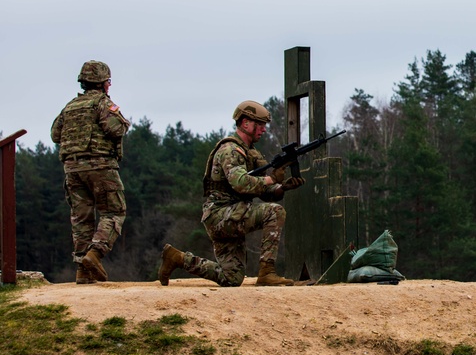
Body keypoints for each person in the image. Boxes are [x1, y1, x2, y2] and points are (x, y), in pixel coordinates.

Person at [157, 100, 307, 287]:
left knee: (231, 278)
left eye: (264, 125)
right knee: (275, 212)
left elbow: (264, 192)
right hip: (221, 215)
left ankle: (178, 258)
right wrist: (271, 180)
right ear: (245, 123)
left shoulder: (250, 153)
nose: (263, 129)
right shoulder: (230, 150)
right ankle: (267, 272)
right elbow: (241, 184)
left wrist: (282, 188)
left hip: (230, 215)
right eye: (259, 124)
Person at [50, 60, 131, 284]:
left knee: (81, 218)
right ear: (104, 83)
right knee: (114, 212)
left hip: (72, 168)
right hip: (100, 166)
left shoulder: (69, 107)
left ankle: (82, 272)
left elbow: (55, 135)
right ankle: (95, 254)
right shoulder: (103, 103)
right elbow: (116, 128)